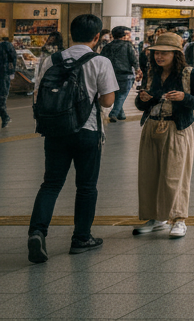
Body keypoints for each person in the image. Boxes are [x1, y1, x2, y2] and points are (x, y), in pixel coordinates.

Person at [27, 14, 118, 263]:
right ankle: (81, 238)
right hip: (88, 131)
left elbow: (38, 93)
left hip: (55, 130)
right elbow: (107, 101)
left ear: (71, 33)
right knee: (86, 187)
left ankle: (37, 232)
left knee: (50, 184)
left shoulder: (51, 60)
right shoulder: (100, 61)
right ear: (97, 37)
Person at [132, 32, 194, 239]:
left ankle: (179, 219)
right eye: (156, 52)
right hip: (151, 127)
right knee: (149, 176)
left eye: (165, 53)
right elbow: (141, 105)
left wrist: (184, 97)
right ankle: (156, 218)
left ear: (176, 54)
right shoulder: (151, 73)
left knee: (174, 176)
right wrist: (143, 99)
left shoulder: (188, 73)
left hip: (176, 129)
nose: (159, 56)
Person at [102, 26, 138, 123]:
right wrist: (137, 69)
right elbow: (133, 59)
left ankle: (121, 114)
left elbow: (102, 60)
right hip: (125, 74)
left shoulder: (107, 46)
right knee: (122, 95)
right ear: (123, 35)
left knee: (117, 94)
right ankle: (113, 113)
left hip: (111, 75)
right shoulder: (127, 45)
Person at [0, 34, 16, 128]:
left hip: (3, 75)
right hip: (4, 74)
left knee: (1, 97)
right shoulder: (6, 46)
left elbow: (12, 59)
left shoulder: (5, 45)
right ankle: (5, 117)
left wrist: (11, 72)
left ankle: (5, 117)